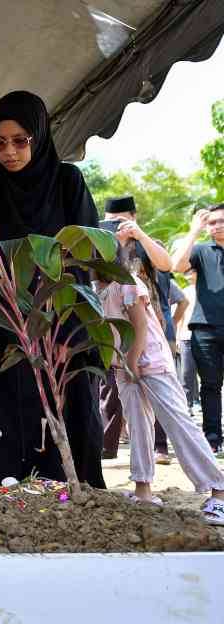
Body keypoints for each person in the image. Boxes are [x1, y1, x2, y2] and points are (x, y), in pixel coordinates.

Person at [0, 90, 104, 487]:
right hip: (2, 326)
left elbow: (89, 251)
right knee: (2, 418)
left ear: (39, 137)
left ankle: (69, 494)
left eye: (20, 141)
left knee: (66, 412)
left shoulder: (66, 181)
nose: (9, 152)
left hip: (59, 322)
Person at [98, 233, 224, 525]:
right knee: (138, 426)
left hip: (150, 363)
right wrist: (122, 363)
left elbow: (140, 325)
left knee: (177, 423)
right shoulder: (99, 289)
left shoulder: (128, 282)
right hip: (124, 366)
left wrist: (132, 361)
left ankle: (218, 491)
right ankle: (142, 489)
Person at [101, 195, 179, 464]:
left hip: (153, 328)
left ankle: (160, 447)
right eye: (111, 222)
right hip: (116, 331)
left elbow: (166, 265)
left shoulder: (147, 244)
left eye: (121, 221)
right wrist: (116, 241)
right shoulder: (104, 246)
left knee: (161, 391)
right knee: (113, 390)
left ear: (134, 217)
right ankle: (109, 446)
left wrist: (140, 235)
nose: (117, 226)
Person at [171, 204, 224, 455]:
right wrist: (194, 231)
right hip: (205, 329)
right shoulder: (201, 250)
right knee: (210, 386)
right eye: (212, 222)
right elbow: (176, 265)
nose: (217, 226)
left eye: (221, 221)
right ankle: (213, 440)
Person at [178, 269, 200, 411]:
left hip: (203, 336)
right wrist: (177, 336)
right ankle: (187, 405)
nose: (189, 275)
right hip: (186, 337)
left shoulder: (206, 291)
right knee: (186, 373)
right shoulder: (184, 291)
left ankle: (198, 402)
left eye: (192, 272)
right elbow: (181, 315)